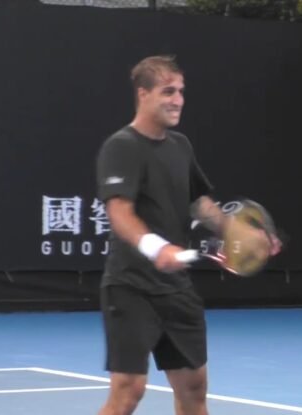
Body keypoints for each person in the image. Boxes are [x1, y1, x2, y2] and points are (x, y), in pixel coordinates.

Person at [95, 55, 279, 415]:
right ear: (143, 94)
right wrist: (155, 246)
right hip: (131, 287)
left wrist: (243, 234)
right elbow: (119, 212)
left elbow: (200, 204)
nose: (177, 99)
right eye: (168, 91)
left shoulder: (181, 146)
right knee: (129, 390)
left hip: (177, 291)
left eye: (180, 91)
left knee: (194, 389)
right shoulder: (121, 146)